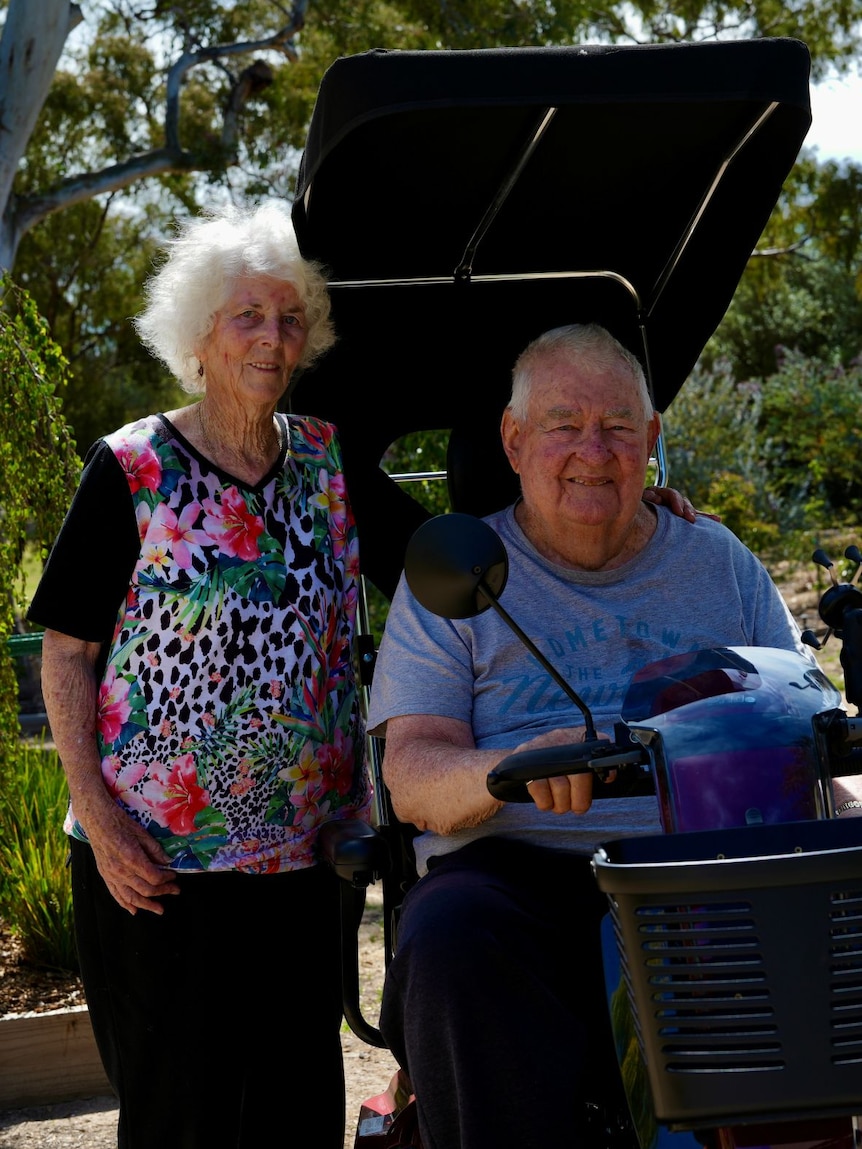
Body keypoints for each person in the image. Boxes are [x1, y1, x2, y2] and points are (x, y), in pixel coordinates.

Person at [366, 323, 814, 1149]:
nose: (593, 450)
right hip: (519, 881)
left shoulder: (719, 562)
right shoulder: (454, 580)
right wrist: (508, 767)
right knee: (449, 934)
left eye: (616, 427)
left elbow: (804, 716)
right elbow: (413, 773)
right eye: (564, 424)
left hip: (703, 874)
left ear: (651, 439)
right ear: (513, 440)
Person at [27, 201, 371, 1149]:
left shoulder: (327, 462)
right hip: (158, 866)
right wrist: (98, 819)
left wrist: (635, 505)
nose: (271, 337)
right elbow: (68, 651)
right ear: (200, 335)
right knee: (182, 1118)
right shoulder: (133, 468)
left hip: (303, 857)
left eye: (289, 318)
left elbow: (444, 553)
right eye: (246, 316)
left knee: (298, 1116)